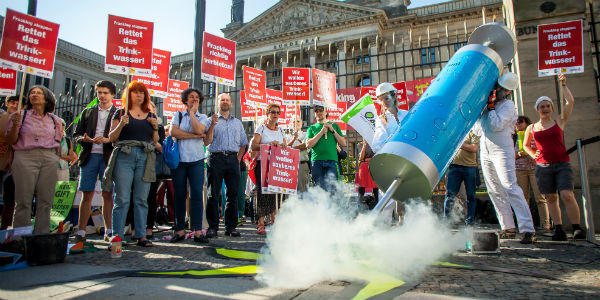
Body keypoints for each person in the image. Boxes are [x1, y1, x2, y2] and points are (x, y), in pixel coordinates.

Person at [523, 74, 586, 241]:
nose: (545, 109)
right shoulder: (532, 127)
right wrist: (533, 155)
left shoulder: (559, 121)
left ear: (551, 108)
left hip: (562, 163)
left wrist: (563, 85)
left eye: (548, 106)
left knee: (567, 194)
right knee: (550, 197)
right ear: (537, 109)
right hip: (543, 166)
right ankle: (558, 228)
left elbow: (570, 102)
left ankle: (576, 227)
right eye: (542, 106)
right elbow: (525, 145)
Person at [477, 72, 535, 244]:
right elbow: (478, 129)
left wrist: (492, 108)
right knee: (494, 189)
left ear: (509, 91)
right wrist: (486, 108)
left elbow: (496, 125)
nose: (499, 90)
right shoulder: (488, 106)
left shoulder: (509, 106)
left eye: (503, 89)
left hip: (501, 148)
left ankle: (527, 228)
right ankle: (507, 226)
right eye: (498, 87)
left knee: (509, 186)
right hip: (485, 147)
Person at [105, 81, 158, 247]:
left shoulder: (151, 115)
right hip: (124, 155)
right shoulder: (120, 113)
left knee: (141, 198)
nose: (139, 95)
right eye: (135, 92)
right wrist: (121, 123)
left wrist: (155, 129)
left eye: (142, 92)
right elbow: (111, 138)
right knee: (122, 198)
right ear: (129, 95)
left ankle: (141, 235)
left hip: (144, 156)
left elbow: (155, 141)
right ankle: (117, 235)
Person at [5, 86, 62, 233]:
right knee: (23, 200)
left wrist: (55, 159)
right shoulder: (20, 115)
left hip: (49, 157)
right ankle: (21, 235)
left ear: (47, 98)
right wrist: (14, 126)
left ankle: (41, 235)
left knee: (46, 200)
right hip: (25, 156)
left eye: (39, 93)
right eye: (32, 93)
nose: (34, 95)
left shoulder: (55, 120)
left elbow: (58, 143)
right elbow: (11, 140)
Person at [73, 80, 118, 242]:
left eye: (105, 93)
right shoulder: (88, 111)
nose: (102, 96)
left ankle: (109, 230)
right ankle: (81, 231)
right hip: (89, 156)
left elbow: (120, 136)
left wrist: (107, 139)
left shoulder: (118, 113)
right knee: (87, 194)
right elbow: (76, 134)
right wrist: (84, 139)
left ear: (112, 94)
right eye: (99, 92)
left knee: (107, 194)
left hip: (107, 157)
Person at [168, 87, 209, 243]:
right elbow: (174, 132)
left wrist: (192, 113)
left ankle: (197, 230)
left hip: (197, 160)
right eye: (191, 97)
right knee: (179, 195)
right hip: (179, 161)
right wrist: (194, 136)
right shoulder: (177, 115)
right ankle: (179, 230)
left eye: (197, 97)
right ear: (185, 100)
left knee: (197, 195)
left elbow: (200, 128)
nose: (195, 99)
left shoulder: (203, 117)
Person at [204, 93, 248, 238]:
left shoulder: (237, 123)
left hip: (232, 159)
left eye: (227, 100)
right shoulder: (210, 120)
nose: (225, 102)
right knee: (213, 194)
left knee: (233, 195)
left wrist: (238, 158)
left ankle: (230, 227)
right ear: (218, 103)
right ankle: (213, 227)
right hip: (215, 158)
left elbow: (243, 143)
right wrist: (212, 125)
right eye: (222, 99)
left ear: (230, 104)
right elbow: (206, 142)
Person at [250, 103, 287, 235]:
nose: (275, 115)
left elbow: (285, 147)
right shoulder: (261, 129)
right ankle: (261, 223)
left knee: (275, 193)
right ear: (267, 114)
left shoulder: (281, 130)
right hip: (263, 164)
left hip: (277, 165)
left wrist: (283, 146)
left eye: (277, 112)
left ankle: (274, 222)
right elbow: (254, 146)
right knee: (263, 193)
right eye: (272, 112)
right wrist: (269, 144)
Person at [514, 116, 551, 235]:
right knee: (524, 199)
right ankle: (528, 226)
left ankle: (546, 226)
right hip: (520, 169)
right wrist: (519, 154)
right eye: (516, 122)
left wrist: (529, 150)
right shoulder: (514, 136)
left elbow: (541, 149)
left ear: (526, 123)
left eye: (520, 121)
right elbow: (510, 155)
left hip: (534, 168)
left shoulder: (533, 133)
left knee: (540, 198)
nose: (517, 124)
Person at [443, 131, 480, 225]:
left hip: (470, 167)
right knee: (450, 195)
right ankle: (447, 220)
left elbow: (474, 148)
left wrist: (458, 144)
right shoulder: (454, 131)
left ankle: (470, 220)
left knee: (471, 195)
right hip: (454, 167)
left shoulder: (474, 132)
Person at [306, 105, 346, 190]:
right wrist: (321, 132)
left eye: (321, 111)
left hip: (332, 162)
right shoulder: (311, 128)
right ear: (314, 114)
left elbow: (343, 143)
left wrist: (332, 131)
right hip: (316, 162)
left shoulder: (334, 126)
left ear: (326, 112)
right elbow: (308, 145)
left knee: (332, 190)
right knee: (320, 191)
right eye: (317, 111)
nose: (319, 113)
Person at [0, 95, 22, 230]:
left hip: (12, 166)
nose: (14, 105)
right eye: (12, 103)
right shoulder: (2, 119)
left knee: (10, 200)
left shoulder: (23, 122)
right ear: (6, 103)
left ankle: (4, 230)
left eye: (17, 104)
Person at [371, 82, 409, 152]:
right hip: (394, 154)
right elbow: (376, 147)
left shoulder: (406, 114)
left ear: (394, 97)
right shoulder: (380, 120)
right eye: (381, 100)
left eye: (386, 98)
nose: (384, 102)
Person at [287, 116, 310, 193]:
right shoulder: (286, 136)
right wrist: (293, 139)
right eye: (294, 122)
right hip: (289, 166)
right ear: (290, 124)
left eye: (298, 121)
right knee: (289, 191)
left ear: (302, 123)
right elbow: (284, 149)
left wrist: (292, 148)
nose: (296, 123)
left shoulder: (306, 134)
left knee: (302, 191)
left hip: (301, 164)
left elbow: (305, 146)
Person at [355, 141, 378, 210]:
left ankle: (377, 208)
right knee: (361, 188)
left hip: (373, 166)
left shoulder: (376, 144)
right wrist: (364, 145)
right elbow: (360, 158)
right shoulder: (360, 145)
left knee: (376, 188)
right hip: (364, 166)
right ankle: (360, 210)